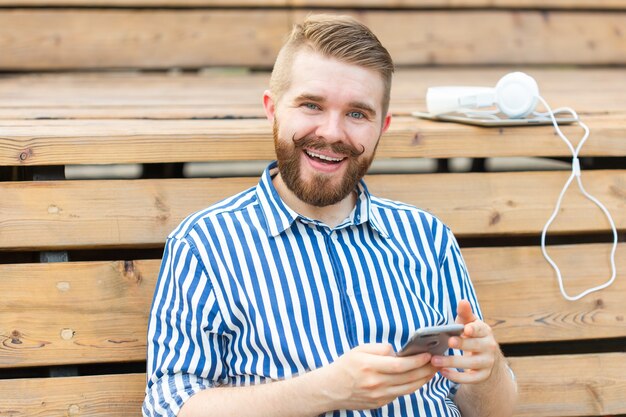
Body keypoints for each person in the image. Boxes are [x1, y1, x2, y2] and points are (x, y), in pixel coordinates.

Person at [143, 14, 517, 417]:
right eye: (311, 105)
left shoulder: (427, 236)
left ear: (381, 127)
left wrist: (488, 370)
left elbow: (492, 410)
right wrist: (326, 391)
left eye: (357, 114)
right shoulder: (205, 245)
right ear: (272, 109)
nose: (332, 132)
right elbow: (169, 407)